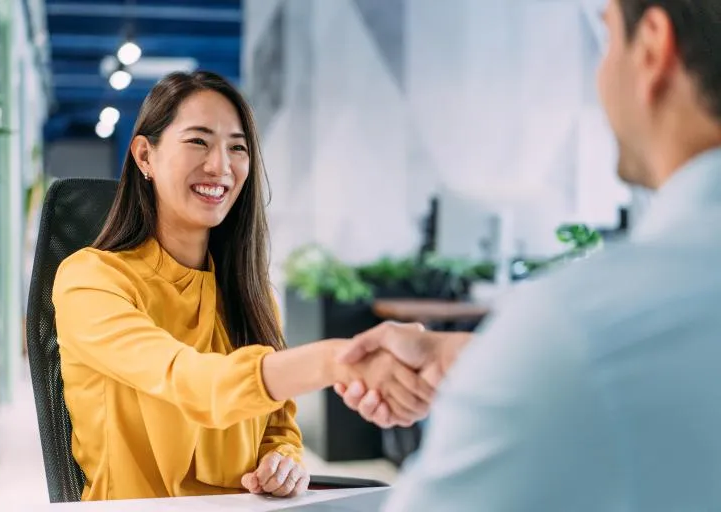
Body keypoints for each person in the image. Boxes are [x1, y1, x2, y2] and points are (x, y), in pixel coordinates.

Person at [337, 0, 721, 510]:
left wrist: (522, 363)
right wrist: (488, 360)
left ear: (651, 48)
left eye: (606, 40)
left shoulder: (577, 331)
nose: (599, 75)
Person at [52, 71, 434, 502]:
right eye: (198, 141)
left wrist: (283, 459)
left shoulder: (250, 293)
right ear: (145, 156)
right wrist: (337, 361)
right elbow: (192, 382)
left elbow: (278, 424)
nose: (221, 166)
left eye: (237, 147)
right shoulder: (90, 280)